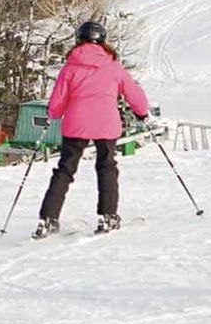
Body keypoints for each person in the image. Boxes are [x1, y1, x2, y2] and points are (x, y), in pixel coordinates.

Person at [33, 21, 150, 239]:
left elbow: (58, 100)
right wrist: (141, 112)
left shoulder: (70, 67)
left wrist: (53, 115)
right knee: (106, 167)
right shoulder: (114, 66)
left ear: (79, 39)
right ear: (103, 41)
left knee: (65, 169)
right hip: (106, 124)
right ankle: (108, 216)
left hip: (76, 124)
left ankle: (48, 218)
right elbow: (133, 92)